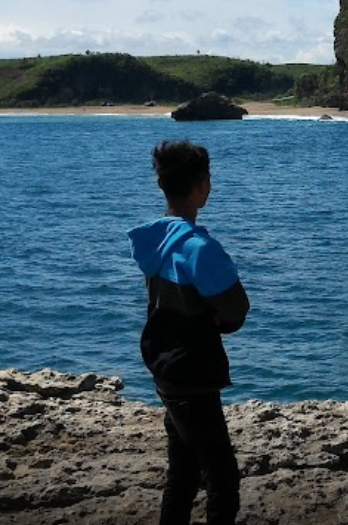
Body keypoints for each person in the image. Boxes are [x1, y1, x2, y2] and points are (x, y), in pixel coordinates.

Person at [128, 140, 251, 525]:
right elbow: (236, 308)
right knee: (222, 477)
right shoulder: (200, 249)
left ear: (161, 185)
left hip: (164, 368)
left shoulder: (154, 241)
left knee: (182, 471)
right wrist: (217, 321)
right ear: (201, 186)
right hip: (193, 374)